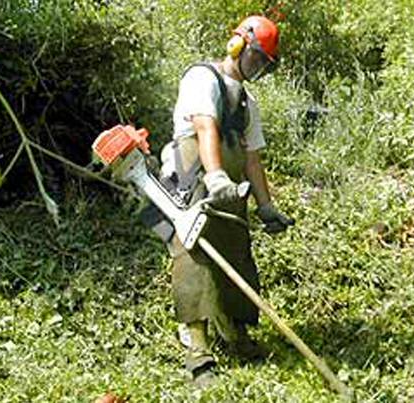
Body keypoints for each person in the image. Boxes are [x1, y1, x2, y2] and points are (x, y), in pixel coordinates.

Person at [155, 15, 294, 387]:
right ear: (239, 45)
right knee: (194, 253)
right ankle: (197, 350)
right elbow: (205, 127)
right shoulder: (202, 77)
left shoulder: (248, 100)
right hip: (192, 173)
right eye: (258, 58)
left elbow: (252, 156)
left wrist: (266, 207)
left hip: (228, 181)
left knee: (237, 249)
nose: (260, 66)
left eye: (266, 63)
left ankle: (238, 335)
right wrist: (214, 175)